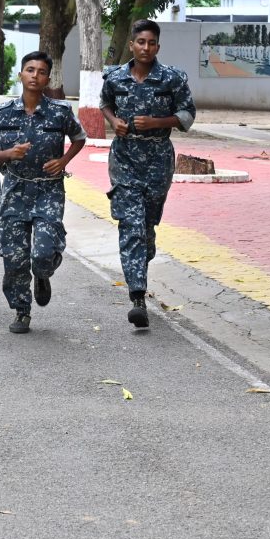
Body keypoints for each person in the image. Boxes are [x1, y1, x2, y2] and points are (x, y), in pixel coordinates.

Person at [0, 51, 86, 334]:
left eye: (41, 71)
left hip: (49, 189)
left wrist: (64, 161)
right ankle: (21, 310)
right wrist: (9, 153)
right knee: (15, 258)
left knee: (42, 252)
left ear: (47, 78)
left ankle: (42, 273)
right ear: (21, 75)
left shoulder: (60, 112)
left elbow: (79, 138)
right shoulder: (1, 113)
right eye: (30, 70)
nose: (35, 76)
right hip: (15, 188)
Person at [101, 19, 195, 329]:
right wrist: (114, 122)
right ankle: (137, 296)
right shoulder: (115, 78)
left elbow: (187, 115)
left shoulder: (172, 78)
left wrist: (156, 123)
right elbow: (105, 104)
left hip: (158, 159)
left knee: (147, 226)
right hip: (125, 158)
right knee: (131, 225)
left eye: (151, 43)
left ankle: (141, 263)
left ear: (158, 46)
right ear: (132, 44)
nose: (145, 47)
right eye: (140, 42)